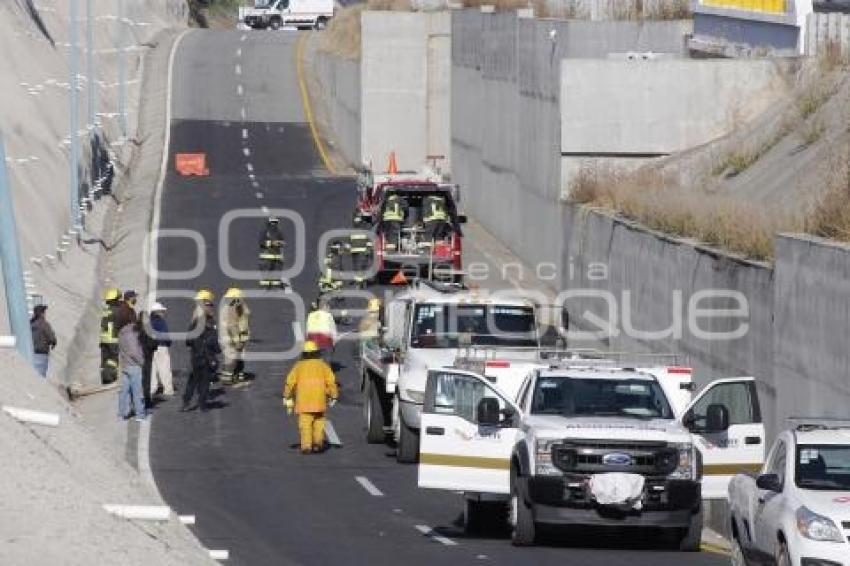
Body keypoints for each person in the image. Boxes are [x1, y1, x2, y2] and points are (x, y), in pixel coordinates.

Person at [283, 340, 339, 454]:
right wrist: (334, 396)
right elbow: (331, 382)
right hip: (319, 401)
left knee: (305, 425)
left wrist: (287, 395)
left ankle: (306, 446)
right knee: (319, 423)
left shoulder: (298, 366)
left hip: (304, 402)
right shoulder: (323, 366)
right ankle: (318, 444)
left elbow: (290, 382)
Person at [183, 294, 220, 412]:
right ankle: (202, 405)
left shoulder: (195, 322)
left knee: (192, 381)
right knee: (204, 382)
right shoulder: (211, 324)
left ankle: (186, 403)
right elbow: (214, 341)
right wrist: (217, 350)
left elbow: (188, 341)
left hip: (195, 357)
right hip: (207, 358)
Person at [220, 287, 251, 384]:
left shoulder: (236, 305)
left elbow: (246, 314)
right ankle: (228, 378)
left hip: (238, 337)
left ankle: (237, 375)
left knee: (238, 357)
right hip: (232, 339)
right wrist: (237, 341)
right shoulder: (231, 307)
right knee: (231, 358)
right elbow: (232, 326)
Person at [117, 319, 146, 421]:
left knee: (124, 392)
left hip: (124, 365)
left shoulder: (122, 332)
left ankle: (121, 414)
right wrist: (142, 362)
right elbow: (134, 352)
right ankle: (140, 414)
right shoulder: (132, 335)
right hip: (134, 366)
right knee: (137, 392)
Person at [148, 302, 174, 396]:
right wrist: (168, 342)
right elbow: (165, 334)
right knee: (164, 369)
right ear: (157, 312)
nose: (163, 313)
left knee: (152, 369)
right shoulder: (160, 321)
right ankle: (168, 389)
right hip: (161, 347)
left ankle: (152, 388)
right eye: (162, 311)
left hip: (150, 348)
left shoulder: (148, 321)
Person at [99, 287, 122, 384]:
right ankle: (109, 377)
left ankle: (105, 378)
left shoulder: (106, 310)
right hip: (113, 339)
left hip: (104, 340)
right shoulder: (117, 311)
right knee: (113, 360)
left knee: (105, 360)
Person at [306, 300, 337, 364]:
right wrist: (334, 342)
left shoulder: (311, 315)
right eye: (328, 307)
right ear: (324, 306)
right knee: (326, 360)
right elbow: (333, 330)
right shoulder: (328, 315)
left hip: (312, 340)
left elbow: (307, 329)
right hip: (325, 340)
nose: (329, 309)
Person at [30, 304, 57, 378]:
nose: (45, 313)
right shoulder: (44, 324)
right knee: (40, 377)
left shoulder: (30, 323)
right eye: (44, 312)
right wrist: (54, 342)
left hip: (30, 353)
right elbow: (51, 338)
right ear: (42, 313)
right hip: (41, 353)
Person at [259, 216, 285, 287]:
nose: (273, 224)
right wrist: (272, 243)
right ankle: (266, 286)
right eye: (272, 223)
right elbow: (261, 243)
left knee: (276, 272)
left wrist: (278, 243)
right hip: (267, 256)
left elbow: (283, 243)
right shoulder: (265, 232)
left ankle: (276, 284)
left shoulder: (279, 232)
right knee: (267, 272)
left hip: (276, 256)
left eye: (275, 223)